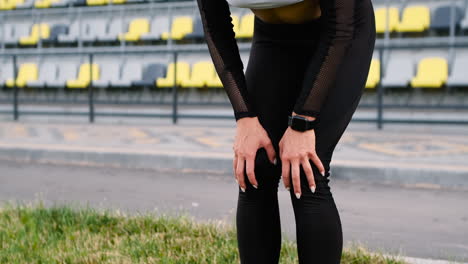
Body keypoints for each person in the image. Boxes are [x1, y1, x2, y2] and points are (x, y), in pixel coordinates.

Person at [195, 0, 376, 263]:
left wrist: (302, 123)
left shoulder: (341, 28)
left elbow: (340, 28)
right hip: (273, 37)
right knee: (254, 167)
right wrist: (245, 116)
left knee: (307, 170)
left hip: (340, 30)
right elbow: (215, 28)